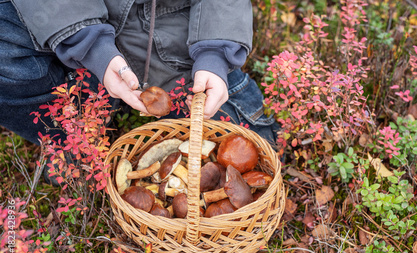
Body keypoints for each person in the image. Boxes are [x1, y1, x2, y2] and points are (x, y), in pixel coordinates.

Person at [0, 0, 279, 152]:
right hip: (68, 34)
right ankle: (73, 141)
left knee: (254, 146)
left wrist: (215, 52)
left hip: (171, 44)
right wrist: (90, 46)